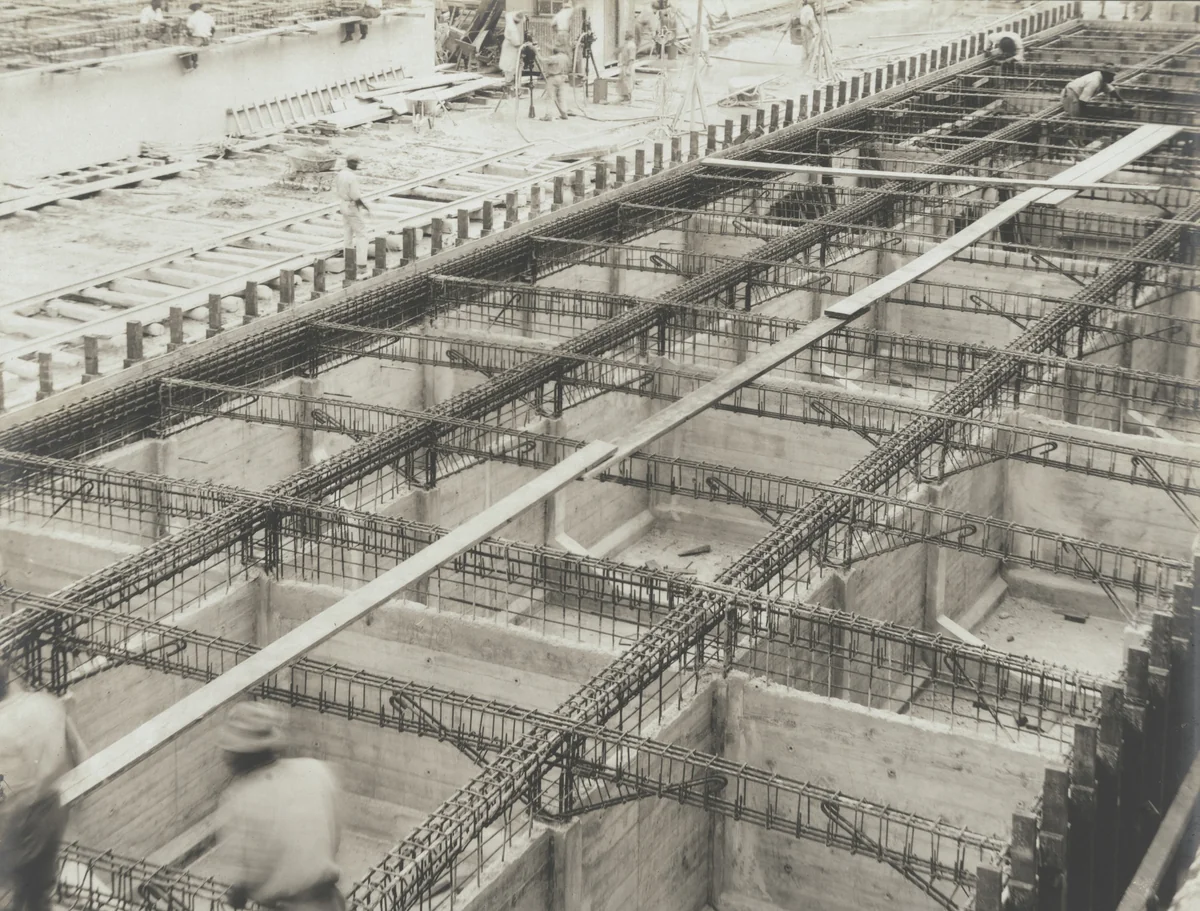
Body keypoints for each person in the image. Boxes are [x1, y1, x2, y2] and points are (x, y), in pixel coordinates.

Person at [215, 703, 344, 911]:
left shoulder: (240, 800)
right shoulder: (315, 771)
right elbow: (334, 839)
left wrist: (235, 900)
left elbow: (244, 879)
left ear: (239, 756)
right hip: (330, 903)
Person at [0, 661, 89, 911]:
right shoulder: (43, 705)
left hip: (19, 822)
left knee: (29, 892)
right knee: (35, 893)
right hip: (50, 812)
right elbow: (79, 756)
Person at [334, 152, 371, 252]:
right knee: (361, 233)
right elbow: (355, 195)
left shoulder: (341, 174)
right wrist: (364, 207)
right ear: (353, 163)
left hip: (343, 204)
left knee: (348, 232)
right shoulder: (351, 177)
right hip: (351, 205)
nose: (358, 166)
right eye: (357, 163)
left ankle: (348, 259)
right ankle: (361, 261)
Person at [540, 41, 571, 121]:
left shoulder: (554, 58)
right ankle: (564, 113)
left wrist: (536, 51)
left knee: (550, 97)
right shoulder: (565, 57)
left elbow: (542, 60)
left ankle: (549, 115)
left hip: (553, 78)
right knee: (561, 97)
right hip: (562, 78)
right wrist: (546, 45)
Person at [499, 11, 526, 91]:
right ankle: (509, 83)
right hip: (511, 47)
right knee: (511, 65)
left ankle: (510, 81)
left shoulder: (510, 16)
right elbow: (517, 44)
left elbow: (509, 14)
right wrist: (523, 46)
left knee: (508, 64)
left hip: (507, 44)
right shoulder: (512, 29)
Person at [790, 0, 818, 74]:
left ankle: (803, 64)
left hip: (803, 28)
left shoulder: (804, 9)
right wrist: (814, 31)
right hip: (807, 30)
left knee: (804, 48)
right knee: (809, 48)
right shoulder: (809, 9)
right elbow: (810, 22)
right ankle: (807, 66)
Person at [617, 30, 637, 103]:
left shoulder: (631, 45)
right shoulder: (627, 44)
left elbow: (631, 58)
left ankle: (629, 97)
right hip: (624, 65)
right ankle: (625, 97)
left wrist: (628, 68)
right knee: (623, 82)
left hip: (629, 65)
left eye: (626, 34)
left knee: (628, 82)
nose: (625, 35)